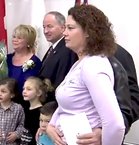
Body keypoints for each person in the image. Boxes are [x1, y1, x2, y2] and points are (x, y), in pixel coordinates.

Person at [46, 5, 125, 145]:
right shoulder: (80, 63)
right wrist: (51, 125)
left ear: (88, 32)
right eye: (65, 28)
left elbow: (115, 124)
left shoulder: (93, 65)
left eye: (71, 28)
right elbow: (68, 105)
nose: (65, 33)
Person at [38, 11, 78, 90]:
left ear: (62, 28)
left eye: (49, 26)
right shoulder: (54, 48)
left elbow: (61, 80)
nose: (45, 31)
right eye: (44, 27)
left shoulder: (67, 49)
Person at [7, 24, 42, 110]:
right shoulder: (6, 59)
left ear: (28, 42)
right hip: (6, 104)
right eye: (14, 37)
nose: (15, 40)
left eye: (19, 38)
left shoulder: (35, 62)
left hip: (25, 106)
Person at [0, 78, 25, 145]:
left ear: (12, 94)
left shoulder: (18, 108)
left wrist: (16, 134)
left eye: (3, 91)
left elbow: (21, 125)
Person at [22, 77, 54, 145]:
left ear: (39, 93)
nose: (24, 91)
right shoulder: (26, 108)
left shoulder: (42, 112)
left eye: (29, 89)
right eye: (24, 88)